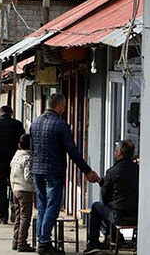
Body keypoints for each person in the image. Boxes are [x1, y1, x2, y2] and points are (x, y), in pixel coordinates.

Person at [30, 93, 99, 255]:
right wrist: (87, 171)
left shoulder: (35, 122)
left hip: (37, 170)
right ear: (60, 106)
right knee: (53, 205)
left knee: (42, 205)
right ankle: (45, 241)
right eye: (64, 106)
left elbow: (33, 148)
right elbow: (72, 151)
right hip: (53, 171)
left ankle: (42, 238)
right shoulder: (61, 125)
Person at [83, 140, 139, 254]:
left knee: (97, 207)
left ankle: (93, 242)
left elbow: (105, 197)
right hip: (137, 216)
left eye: (115, 150)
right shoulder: (138, 170)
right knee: (106, 209)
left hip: (119, 216)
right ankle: (114, 237)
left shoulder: (113, 171)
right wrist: (100, 180)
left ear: (119, 153)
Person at [0, 105, 25, 224]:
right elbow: (21, 141)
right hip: (13, 160)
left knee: (0, 189)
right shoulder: (17, 125)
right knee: (15, 185)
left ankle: (3, 216)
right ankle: (14, 205)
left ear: (0, 112)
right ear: (11, 113)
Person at [10, 134, 35, 252]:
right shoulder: (28, 158)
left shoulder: (15, 157)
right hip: (25, 190)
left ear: (19, 145)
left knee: (18, 216)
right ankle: (22, 241)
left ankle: (15, 240)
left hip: (15, 189)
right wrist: (35, 184)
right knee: (26, 216)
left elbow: (11, 175)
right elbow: (28, 176)